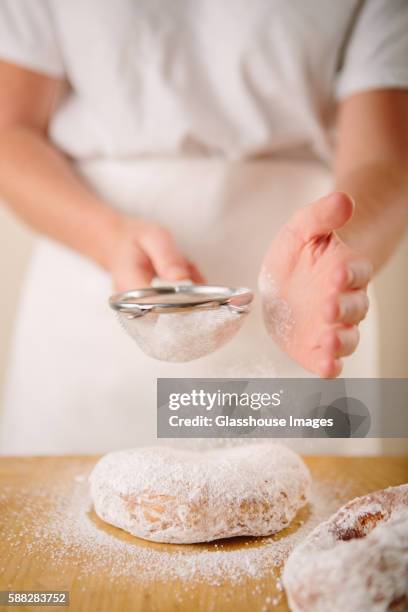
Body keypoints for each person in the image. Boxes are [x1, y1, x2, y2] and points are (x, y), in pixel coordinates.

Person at [0, 0, 407, 454]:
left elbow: (386, 158)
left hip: (302, 308)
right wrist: (107, 238)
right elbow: (9, 130)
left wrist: (337, 255)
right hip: (92, 308)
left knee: (315, 512)